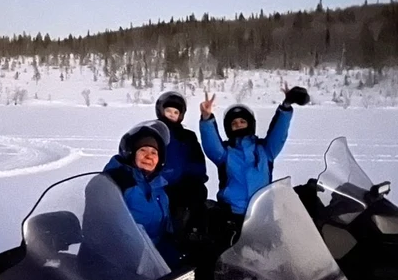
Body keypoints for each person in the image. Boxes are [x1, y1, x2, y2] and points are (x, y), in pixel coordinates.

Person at [198, 84, 310, 242]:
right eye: (234, 123)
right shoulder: (225, 153)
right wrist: (206, 119)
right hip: (232, 215)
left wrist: (286, 107)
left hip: (262, 214)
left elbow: (279, 133)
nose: (238, 125)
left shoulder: (265, 150)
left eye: (242, 121)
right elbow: (211, 145)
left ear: (250, 124)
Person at [102, 120, 181, 267]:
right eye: (143, 150)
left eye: (154, 152)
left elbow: (163, 231)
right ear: (131, 153)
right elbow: (103, 232)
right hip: (120, 263)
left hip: (153, 262)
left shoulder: (159, 188)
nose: (149, 156)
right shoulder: (114, 182)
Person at [153, 91, 209, 242]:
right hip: (156, 184)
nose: (171, 114)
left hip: (181, 186)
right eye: (168, 111)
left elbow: (197, 162)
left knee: (196, 198)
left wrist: (192, 179)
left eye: (176, 112)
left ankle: (192, 237)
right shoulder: (152, 131)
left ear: (181, 115)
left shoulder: (187, 136)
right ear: (161, 111)